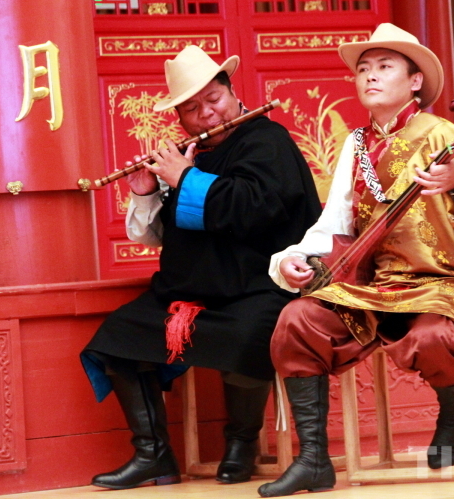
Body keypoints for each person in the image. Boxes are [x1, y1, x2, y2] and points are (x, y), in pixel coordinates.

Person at [258, 23, 454, 497]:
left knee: (432, 336)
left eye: (385, 67)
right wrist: (291, 259)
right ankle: (313, 459)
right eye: (364, 69)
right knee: (297, 319)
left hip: (447, 279)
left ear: (415, 81)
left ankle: (452, 407)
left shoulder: (445, 134)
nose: (371, 76)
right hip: (378, 283)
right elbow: (335, 221)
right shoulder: (356, 144)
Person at [80, 45, 322, 490]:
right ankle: (153, 454)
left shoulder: (267, 140)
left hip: (261, 285)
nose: (207, 113)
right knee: (117, 337)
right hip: (193, 291)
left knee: (249, 336)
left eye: (214, 99)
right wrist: (145, 191)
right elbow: (162, 235)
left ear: (232, 93)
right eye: (192, 108)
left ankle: (241, 444)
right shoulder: (189, 154)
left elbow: (256, 208)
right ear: (180, 118)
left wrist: (186, 179)